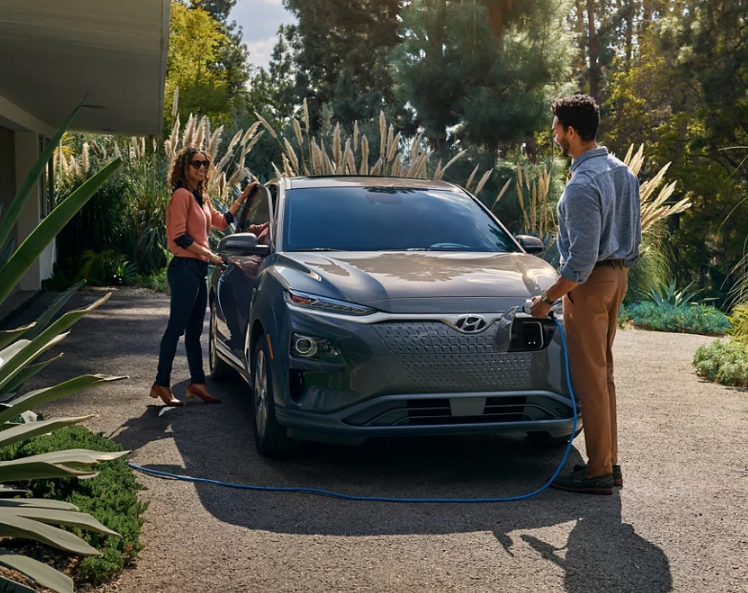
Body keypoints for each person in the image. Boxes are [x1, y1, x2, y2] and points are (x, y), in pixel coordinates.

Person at [529, 94, 642, 495]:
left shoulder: (581, 185)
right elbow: (633, 240)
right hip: (617, 280)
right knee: (604, 375)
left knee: (590, 381)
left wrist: (546, 301)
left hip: (590, 285)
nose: (554, 135)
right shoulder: (624, 172)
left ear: (571, 133)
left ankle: (597, 473)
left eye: (557, 128)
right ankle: (608, 464)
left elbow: (579, 260)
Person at [149, 145, 263, 406]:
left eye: (205, 164)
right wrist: (211, 255)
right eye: (196, 164)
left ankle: (197, 383)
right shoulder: (181, 195)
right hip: (184, 269)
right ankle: (161, 382)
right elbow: (179, 236)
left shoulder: (201, 197)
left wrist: (244, 195)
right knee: (176, 328)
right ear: (184, 168)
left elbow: (222, 222)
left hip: (198, 271)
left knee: (194, 332)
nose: (201, 168)